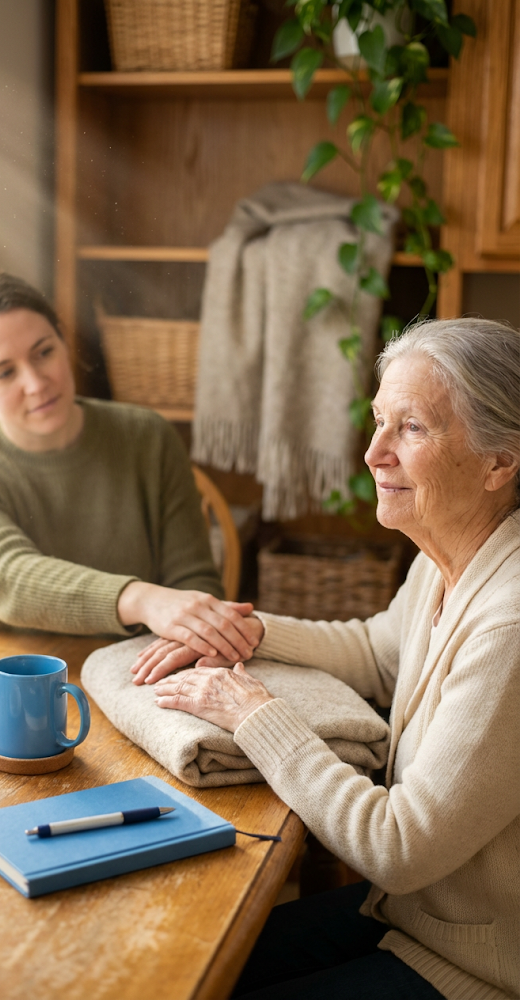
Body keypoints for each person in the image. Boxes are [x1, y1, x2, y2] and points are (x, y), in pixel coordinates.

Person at [135, 318, 520, 1000]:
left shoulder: (508, 628)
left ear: (499, 462)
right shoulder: (451, 555)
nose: (373, 453)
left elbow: (397, 848)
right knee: (172, 963)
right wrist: (244, 631)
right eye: (378, 420)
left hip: (476, 967)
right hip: (410, 916)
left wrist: (254, 714)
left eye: (412, 428)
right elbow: (378, 651)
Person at [0, 271, 258, 663]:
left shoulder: (148, 436)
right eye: (5, 373)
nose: (36, 383)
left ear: (64, 343)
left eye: (44, 352)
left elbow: (193, 582)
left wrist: (181, 650)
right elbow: (12, 578)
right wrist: (143, 600)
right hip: (4, 681)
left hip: (137, 672)